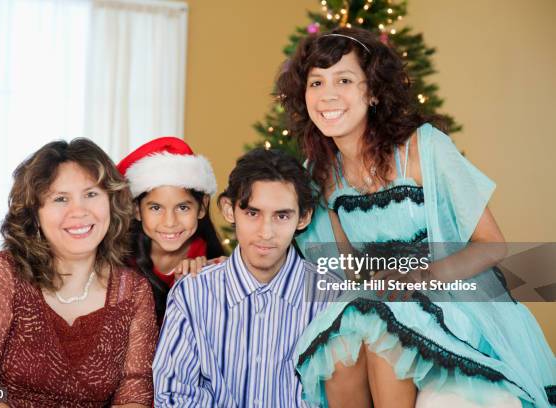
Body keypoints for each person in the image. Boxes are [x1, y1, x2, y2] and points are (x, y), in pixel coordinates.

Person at [276, 27, 556, 407]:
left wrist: (417, 276)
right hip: (383, 297)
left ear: (373, 91)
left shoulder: (423, 147)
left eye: (344, 79)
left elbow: (492, 245)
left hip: (451, 297)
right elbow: (346, 269)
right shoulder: (321, 172)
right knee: (340, 350)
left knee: (383, 332)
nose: (327, 94)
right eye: (316, 82)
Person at [0, 139, 158, 407]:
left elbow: (136, 393)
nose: (79, 211)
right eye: (60, 198)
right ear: (35, 213)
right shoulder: (4, 273)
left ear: (112, 203)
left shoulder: (134, 291)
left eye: (91, 194)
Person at [152, 148, 341, 407]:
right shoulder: (192, 294)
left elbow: (338, 397)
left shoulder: (330, 297)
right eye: (252, 213)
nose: (266, 232)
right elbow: (173, 394)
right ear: (229, 210)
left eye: (282, 215)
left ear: (303, 217)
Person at [117, 137, 225, 326]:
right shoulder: (120, 260)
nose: (169, 222)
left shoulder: (211, 266)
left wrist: (206, 280)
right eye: (156, 208)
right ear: (137, 210)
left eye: (183, 208)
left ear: (202, 207)